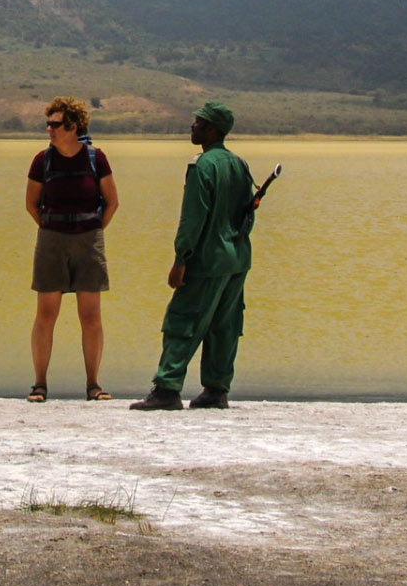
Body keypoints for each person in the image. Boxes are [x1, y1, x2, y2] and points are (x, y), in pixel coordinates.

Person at [132, 102, 254, 411]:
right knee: (223, 325)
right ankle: (216, 389)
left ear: (212, 130)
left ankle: (167, 389)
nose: (192, 127)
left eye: (198, 123)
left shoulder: (203, 166)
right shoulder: (239, 165)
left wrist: (181, 259)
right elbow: (247, 217)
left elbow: (193, 218)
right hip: (237, 259)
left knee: (183, 320)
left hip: (208, 260)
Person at [24, 96, 119, 403]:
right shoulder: (43, 160)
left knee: (90, 316)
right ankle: (39, 384)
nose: (49, 130)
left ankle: (93, 384)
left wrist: (91, 231)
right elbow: (31, 203)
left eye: (55, 124)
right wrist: (53, 228)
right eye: (47, 124)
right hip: (51, 239)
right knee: (46, 315)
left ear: (72, 127)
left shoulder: (96, 158)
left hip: (88, 240)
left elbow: (112, 202)